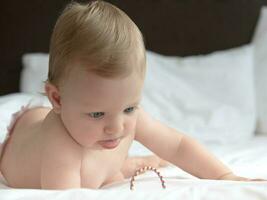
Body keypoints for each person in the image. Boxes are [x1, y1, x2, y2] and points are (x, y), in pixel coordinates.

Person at [0, 0, 263, 189]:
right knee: (94, 166)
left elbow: (178, 145)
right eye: (97, 113)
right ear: (57, 99)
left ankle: (120, 166)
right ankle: (120, 167)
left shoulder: (121, 120)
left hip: (88, 155)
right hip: (22, 139)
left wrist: (224, 177)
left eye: (129, 108)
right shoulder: (60, 147)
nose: (116, 127)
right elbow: (66, 196)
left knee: (108, 166)